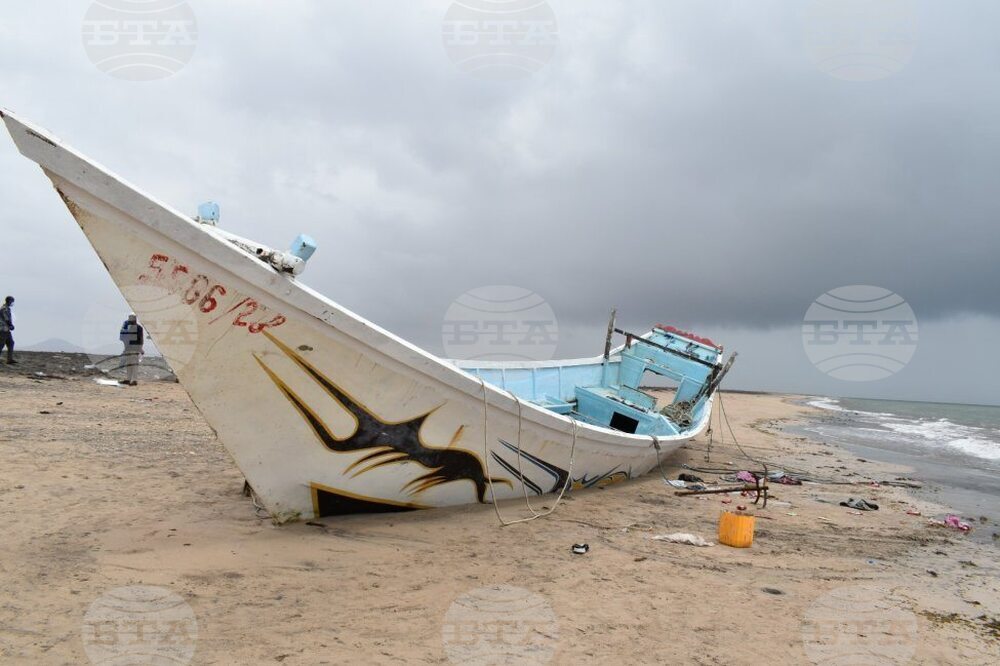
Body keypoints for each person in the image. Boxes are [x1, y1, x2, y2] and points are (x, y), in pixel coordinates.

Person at [118, 313, 144, 386]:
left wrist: (140, 348)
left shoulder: (137, 328)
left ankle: (134, 380)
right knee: (129, 364)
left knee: (133, 364)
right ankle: (129, 379)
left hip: (134, 348)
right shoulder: (134, 327)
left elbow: (140, 339)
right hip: (129, 348)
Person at [0, 296, 15, 365]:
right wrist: (11, 325)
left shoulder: (7, 308)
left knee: (11, 343)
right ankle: (9, 359)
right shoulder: (4, 308)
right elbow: (6, 319)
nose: (12, 303)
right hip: (3, 329)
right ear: (9, 301)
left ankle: (9, 359)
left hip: (6, 329)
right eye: (12, 301)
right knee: (1, 344)